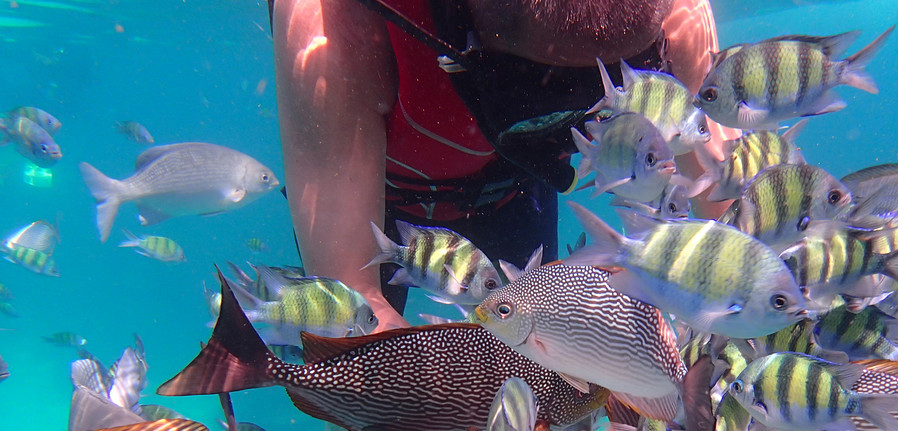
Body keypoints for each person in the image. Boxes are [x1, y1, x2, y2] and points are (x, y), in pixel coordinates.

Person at [270, 0, 727, 329]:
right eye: (535, 92)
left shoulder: (676, 22)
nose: (577, 122)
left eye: (627, 70)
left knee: (535, 352)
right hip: (386, 198)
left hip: (511, 191)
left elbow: (733, 223)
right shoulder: (333, 18)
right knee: (345, 337)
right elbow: (350, 294)